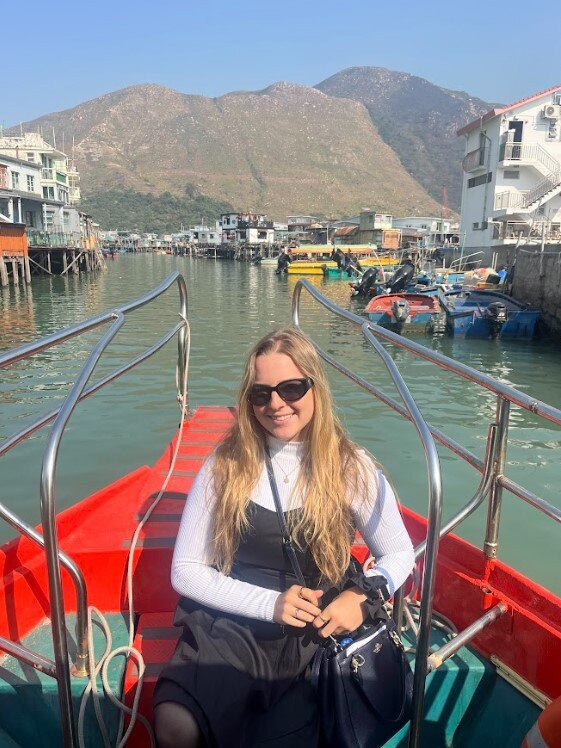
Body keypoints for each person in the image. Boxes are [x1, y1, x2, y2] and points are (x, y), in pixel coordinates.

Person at [153, 327, 415, 748]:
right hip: (237, 620)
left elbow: (400, 552)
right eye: (261, 394)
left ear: (315, 387)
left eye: (291, 388)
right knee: (174, 725)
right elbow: (186, 571)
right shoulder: (225, 465)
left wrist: (360, 598)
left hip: (319, 623)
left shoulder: (352, 467)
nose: (276, 404)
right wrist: (268, 604)